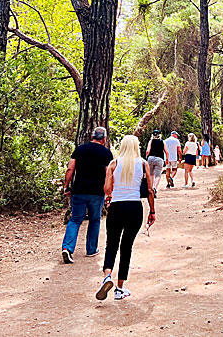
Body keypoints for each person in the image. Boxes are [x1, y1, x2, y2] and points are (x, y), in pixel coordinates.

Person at [96, 135, 156, 301]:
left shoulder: (114, 164)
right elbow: (150, 191)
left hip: (116, 207)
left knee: (111, 244)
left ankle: (107, 276)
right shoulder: (143, 164)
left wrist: (113, 189)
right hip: (134, 207)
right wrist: (152, 211)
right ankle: (119, 288)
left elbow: (107, 190)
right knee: (126, 247)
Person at [61, 126, 113, 264]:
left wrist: (66, 186)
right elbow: (109, 174)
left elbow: (70, 168)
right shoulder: (106, 153)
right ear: (104, 138)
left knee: (75, 220)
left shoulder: (80, 150)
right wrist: (109, 192)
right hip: (97, 192)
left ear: (92, 136)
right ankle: (91, 249)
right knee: (95, 219)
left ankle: (67, 247)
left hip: (79, 191)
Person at [145, 129, 166, 198]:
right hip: (159, 159)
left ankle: (150, 189)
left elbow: (148, 151)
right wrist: (167, 159)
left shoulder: (151, 141)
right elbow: (166, 152)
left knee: (151, 174)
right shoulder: (162, 142)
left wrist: (146, 157)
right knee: (158, 175)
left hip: (150, 158)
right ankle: (155, 188)